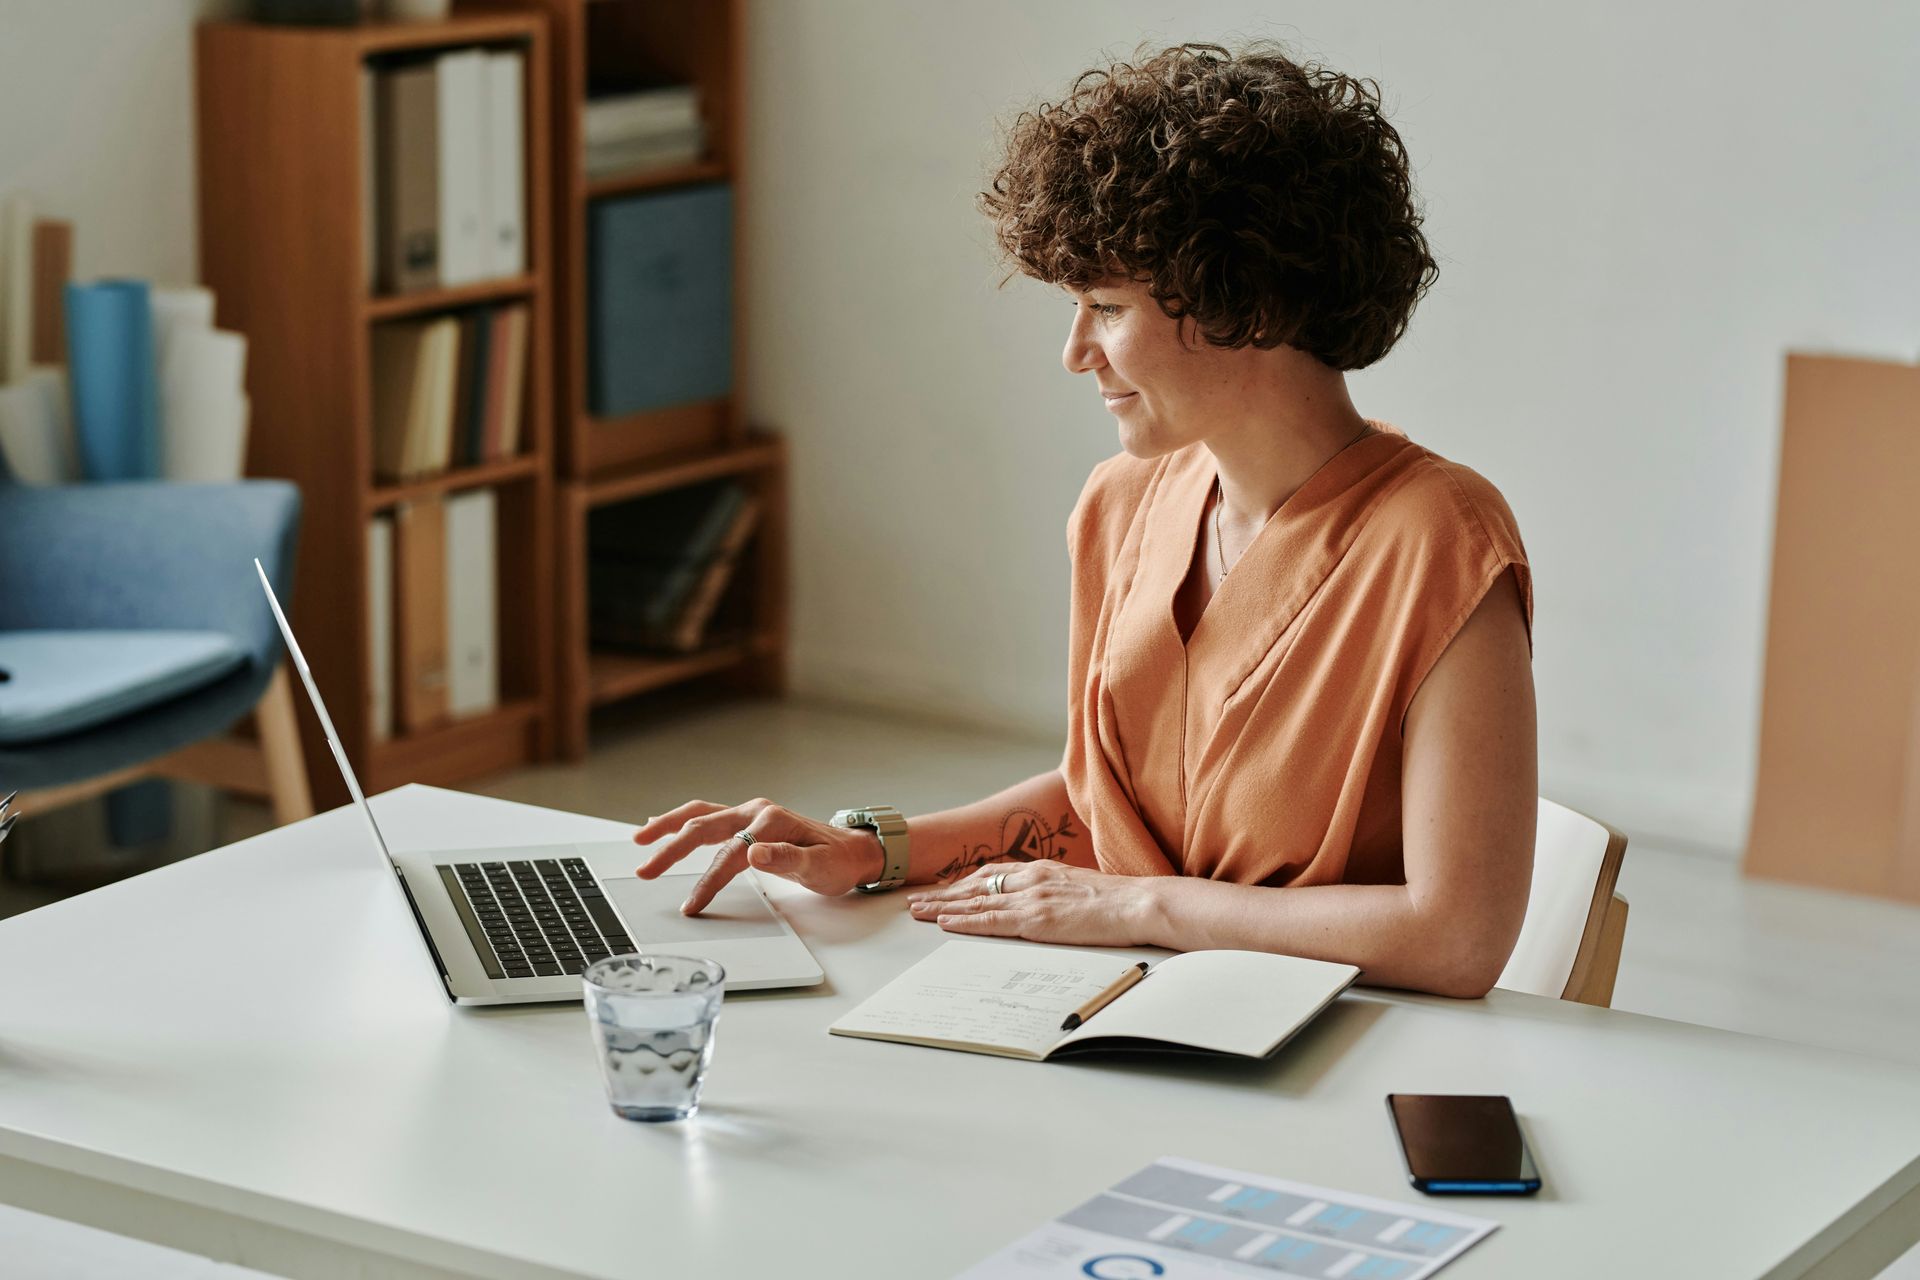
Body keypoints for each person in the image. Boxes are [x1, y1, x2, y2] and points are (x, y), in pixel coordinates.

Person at [633, 42, 1536, 999]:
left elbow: (1457, 938)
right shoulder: (1125, 505)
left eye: (1105, 306)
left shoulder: (1442, 538)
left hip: (1338, 1035)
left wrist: (1139, 908)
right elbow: (1110, 807)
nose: (1075, 353)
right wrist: (872, 849)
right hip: (1135, 1001)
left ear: (1251, 302)